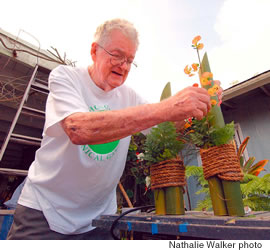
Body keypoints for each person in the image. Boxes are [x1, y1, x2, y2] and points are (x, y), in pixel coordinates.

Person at [7, 19, 211, 240]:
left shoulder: (129, 96)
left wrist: (193, 110)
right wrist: (168, 107)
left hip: (100, 218)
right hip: (46, 212)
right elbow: (78, 129)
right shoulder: (66, 77)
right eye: (116, 55)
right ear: (95, 51)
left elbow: (165, 129)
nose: (123, 66)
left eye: (129, 60)